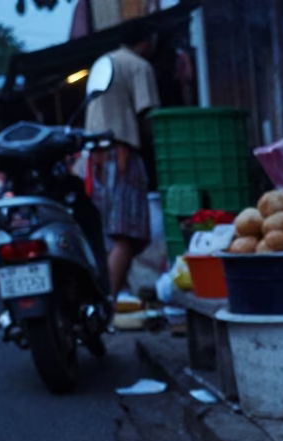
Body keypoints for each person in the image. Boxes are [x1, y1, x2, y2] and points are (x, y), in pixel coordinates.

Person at [84, 17, 161, 300]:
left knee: (108, 236)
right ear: (146, 42)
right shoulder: (139, 66)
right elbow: (148, 116)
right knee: (125, 238)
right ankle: (107, 304)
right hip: (122, 154)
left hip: (95, 161)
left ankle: (106, 298)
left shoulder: (102, 62)